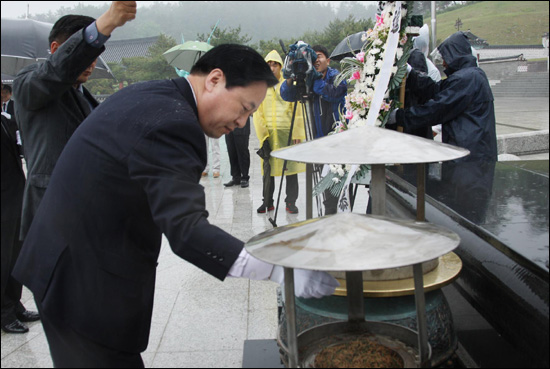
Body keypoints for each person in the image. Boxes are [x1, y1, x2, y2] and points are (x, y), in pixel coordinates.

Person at [13, 44, 338, 367]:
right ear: (214, 79)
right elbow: (187, 231)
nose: (242, 123)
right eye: (243, 107)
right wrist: (276, 266)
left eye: (250, 114)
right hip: (82, 285)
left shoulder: (157, 96)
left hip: (72, 263)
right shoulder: (174, 123)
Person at [13, 2, 136, 240]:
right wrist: (106, 23)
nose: (91, 63)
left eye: (95, 55)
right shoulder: (29, 84)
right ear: (56, 48)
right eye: (87, 53)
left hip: (91, 215)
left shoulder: (85, 96)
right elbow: (57, 71)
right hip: (54, 215)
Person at [388, 31, 497, 162]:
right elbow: (436, 90)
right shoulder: (469, 76)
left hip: (469, 159)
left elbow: (436, 109)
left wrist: (398, 116)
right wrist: (411, 74)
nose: (444, 64)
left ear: (454, 55)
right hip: (471, 153)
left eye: (445, 58)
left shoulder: (467, 79)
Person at [280, 44, 347, 214]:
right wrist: (290, 76)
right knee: (326, 180)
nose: (316, 60)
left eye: (319, 56)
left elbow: (333, 93)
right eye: (313, 58)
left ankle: (331, 212)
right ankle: (329, 212)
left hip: (336, 139)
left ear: (328, 60)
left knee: (334, 181)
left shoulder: (336, 77)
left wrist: (314, 78)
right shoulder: (309, 78)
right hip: (318, 139)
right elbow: (287, 95)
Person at [1, 114, 40, 334]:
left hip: (15, 197)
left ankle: (15, 305)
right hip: (3, 201)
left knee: (15, 256)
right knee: (3, 259)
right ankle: (4, 314)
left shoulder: (6, 120)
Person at [253, 50, 306, 214]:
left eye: (275, 64)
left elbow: (298, 110)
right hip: (269, 135)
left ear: (281, 67)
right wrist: (263, 135)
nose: (271, 67)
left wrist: (297, 133)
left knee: (289, 168)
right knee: (268, 170)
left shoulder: (288, 85)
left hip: (287, 133)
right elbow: (257, 113)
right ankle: (267, 202)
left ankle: (291, 202)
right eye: (268, 64)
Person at [224, 117, 251, 188]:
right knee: (231, 151)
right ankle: (236, 177)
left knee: (242, 151)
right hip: (228, 126)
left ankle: (245, 177)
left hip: (241, 126)